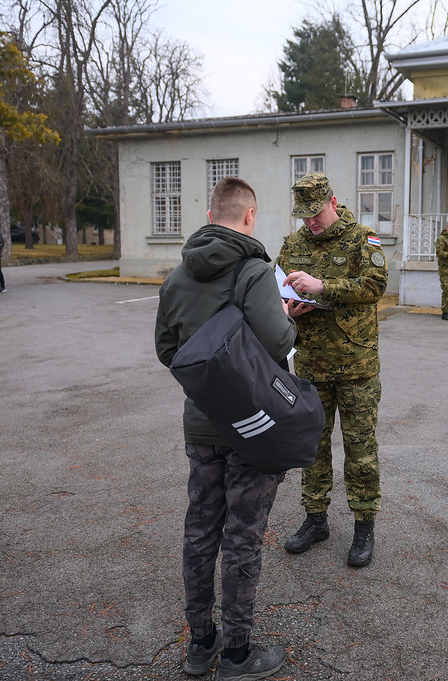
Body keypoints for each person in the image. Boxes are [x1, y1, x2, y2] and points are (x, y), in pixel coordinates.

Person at [155, 177, 293, 680]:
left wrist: (208, 385)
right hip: (252, 426)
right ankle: (237, 654)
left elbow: (168, 353)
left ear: (210, 213)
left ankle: (200, 645)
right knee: (243, 537)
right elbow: (278, 343)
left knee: (200, 532)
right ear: (249, 216)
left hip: (202, 425)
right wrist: (286, 315)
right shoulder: (255, 272)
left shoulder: (175, 278)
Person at [277, 172, 387, 568]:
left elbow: (376, 285)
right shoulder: (293, 243)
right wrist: (288, 308)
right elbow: (278, 289)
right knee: (312, 448)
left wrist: (324, 286)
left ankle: (363, 525)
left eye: (315, 213)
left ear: (333, 202)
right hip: (310, 364)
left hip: (356, 365)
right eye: (303, 215)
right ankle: (315, 518)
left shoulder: (363, 238)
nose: (310, 222)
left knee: (360, 450)